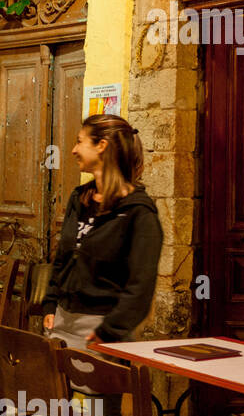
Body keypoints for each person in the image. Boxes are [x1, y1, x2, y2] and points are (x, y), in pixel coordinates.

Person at [41, 114, 164, 352]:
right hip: (61, 322)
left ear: (101, 146)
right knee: (47, 389)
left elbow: (141, 285)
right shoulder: (80, 199)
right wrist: (50, 304)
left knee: (93, 391)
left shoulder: (138, 212)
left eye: (80, 141)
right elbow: (62, 260)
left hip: (99, 331)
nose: (74, 149)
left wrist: (109, 330)